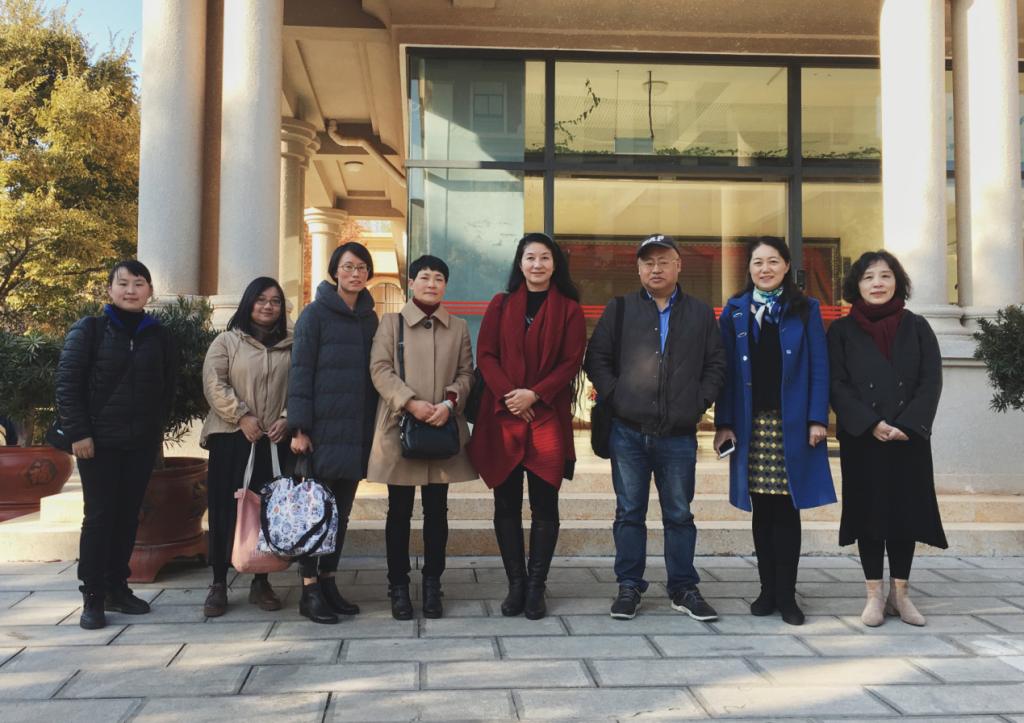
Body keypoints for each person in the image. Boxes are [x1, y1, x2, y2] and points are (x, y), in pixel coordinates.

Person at [585, 234, 726, 622]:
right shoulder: (620, 309)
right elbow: (596, 358)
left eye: (664, 261)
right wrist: (617, 396)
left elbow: (716, 363)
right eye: (648, 263)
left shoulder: (700, 313)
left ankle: (683, 587)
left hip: (678, 435)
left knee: (679, 513)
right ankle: (629, 586)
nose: (656, 268)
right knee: (629, 512)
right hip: (628, 432)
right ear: (638, 269)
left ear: (679, 265)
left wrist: (698, 401)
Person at [714, 236, 836, 627]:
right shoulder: (735, 310)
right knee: (762, 509)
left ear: (786, 266)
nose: (764, 269)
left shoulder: (805, 308)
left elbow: (819, 366)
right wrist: (724, 423)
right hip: (751, 427)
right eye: (757, 262)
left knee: (787, 509)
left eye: (772, 261)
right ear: (748, 269)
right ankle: (766, 590)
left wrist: (818, 418)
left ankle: (787, 594)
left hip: (792, 425)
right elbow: (725, 372)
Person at [467, 232, 586, 621]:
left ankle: (536, 586)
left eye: (545, 257)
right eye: (530, 257)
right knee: (505, 503)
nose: (537, 264)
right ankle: (515, 584)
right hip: (503, 416)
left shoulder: (569, 309)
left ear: (555, 264)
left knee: (544, 504)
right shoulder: (500, 305)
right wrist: (510, 396)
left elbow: (571, 362)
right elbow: (486, 355)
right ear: (520, 263)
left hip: (545, 416)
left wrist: (534, 395)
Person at [55, 260, 177, 630]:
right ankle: (93, 595)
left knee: (127, 516)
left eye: (139, 283)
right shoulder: (90, 330)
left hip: (140, 443)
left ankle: (117, 587)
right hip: (98, 444)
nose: (130, 290)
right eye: (122, 283)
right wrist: (79, 433)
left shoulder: (158, 335)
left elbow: (167, 386)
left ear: (149, 291)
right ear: (109, 290)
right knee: (99, 517)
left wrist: (154, 430)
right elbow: (68, 384)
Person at [828, 250, 946, 627]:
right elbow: (836, 384)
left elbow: (931, 380)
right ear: (856, 285)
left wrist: (908, 424)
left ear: (897, 281)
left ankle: (901, 594)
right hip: (864, 438)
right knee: (869, 514)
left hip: (908, 438)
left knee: (904, 515)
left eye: (885, 276)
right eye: (868, 277)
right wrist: (871, 423)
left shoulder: (918, 327)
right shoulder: (841, 331)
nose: (877, 283)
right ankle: (874, 595)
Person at [367, 255, 476, 620]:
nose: (432, 284)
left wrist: (450, 402)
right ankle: (398, 585)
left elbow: (467, 373)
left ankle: (432, 583)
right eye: (425, 277)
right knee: (398, 511)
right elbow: (379, 368)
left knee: (437, 512)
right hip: (401, 427)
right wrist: (410, 402)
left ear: (445, 285)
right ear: (411, 283)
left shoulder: (458, 327)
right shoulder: (391, 323)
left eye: (439, 278)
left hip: (442, 429)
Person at [288, 242, 379, 624]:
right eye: (348, 267)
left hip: (356, 432)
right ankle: (308, 589)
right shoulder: (314, 315)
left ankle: (328, 581)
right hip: (322, 433)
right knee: (316, 514)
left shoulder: (370, 319)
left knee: (340, 515)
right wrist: (299, 428)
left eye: (361, 268)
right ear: (334, 271)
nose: (355, 273)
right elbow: (300, 373)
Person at [200, 277, 293, 617]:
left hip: (274, 440)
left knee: (266, 510)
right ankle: (218, 582)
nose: (268, 306)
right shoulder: (227, 341)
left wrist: (287, 417)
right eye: (261, 299)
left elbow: (300, 386)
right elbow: (214, 383)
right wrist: (241, 416)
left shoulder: (292, 345)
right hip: (232, 437)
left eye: (275, 301)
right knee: (225, 508)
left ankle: (261, 580)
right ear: (248, 303)